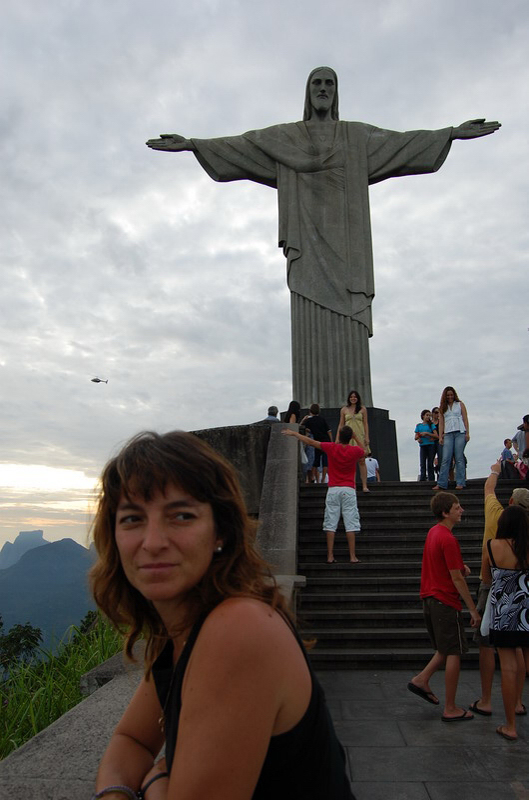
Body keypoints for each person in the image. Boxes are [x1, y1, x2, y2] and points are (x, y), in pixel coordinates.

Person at [147, 68, 500, 408]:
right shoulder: (286, 138)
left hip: (348, 241)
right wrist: (193, 145)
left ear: (336, 92)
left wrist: (450, 134)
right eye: (317, 82)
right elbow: (243, 146)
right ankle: (313, 400)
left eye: (329, 83)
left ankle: (356, 402)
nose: (323, 89)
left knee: (350, 309)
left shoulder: (356, 137)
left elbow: (402, 143)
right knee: (308, 306)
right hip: (306, 238)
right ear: (307, 91)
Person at [90, 431, 355, 800]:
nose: (152, 542)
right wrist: (121, 792)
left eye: (181, 516)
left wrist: (152, 782)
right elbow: (131, 740)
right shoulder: (179, 630)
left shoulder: (238, 628)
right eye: (132, 518)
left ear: (221, 532)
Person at [407, 492, 480, 720]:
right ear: (445, 512)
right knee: (454, 652)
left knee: (445, 648)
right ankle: (450, 708)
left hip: (430, 598)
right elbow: (456, 578)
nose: (462, 510)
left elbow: (445, 565)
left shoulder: (433, 532)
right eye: (457, 508)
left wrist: (460, 568)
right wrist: (473, 609)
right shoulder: (448, 539)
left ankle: (421, 679)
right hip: (445, 600)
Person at [470, 463, 529, 719]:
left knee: (488, 646)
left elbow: (488, 489)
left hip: (498, 595)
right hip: (524, 599)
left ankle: (487, 700)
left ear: (511, 502)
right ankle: (518, 702)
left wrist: (495, 470)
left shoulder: (497, 518)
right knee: (520, 650)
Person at [283, 424, 364, 563]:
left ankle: (330, 556)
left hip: (333, 488)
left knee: (331, 522)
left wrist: (295, 434)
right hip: (348, 488)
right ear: (350, 437)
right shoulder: (355, 450)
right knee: (351, 523)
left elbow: (311, 442)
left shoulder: (331, 447)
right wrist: (356, 438)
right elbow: (365, 452)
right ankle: (352, 556)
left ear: (339, 436)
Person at [482, 505, 529, 741]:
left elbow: (486, 578)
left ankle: (510, 725)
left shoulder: (492, 546)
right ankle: (519, 702)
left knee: (508, 666)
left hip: (503, 613)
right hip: (526, 613)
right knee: (522, 658)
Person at [434, 387, 469, 491]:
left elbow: (465, 419)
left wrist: (467, 432)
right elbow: (441, 423)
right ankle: (442, 483)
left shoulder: (460, 404)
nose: (450, 397)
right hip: (448, 433)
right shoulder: (442, 408)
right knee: (445, 458)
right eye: (448, 395)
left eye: (451, 395)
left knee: (459, 458)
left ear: (454, 395)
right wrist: (440, 436)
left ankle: (460, 482)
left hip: (460, 432)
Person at [337, 390, 370, 492]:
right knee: (350, 462)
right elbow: (341, 424)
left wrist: (367, 437)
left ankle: (364, 485)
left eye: (355, 397)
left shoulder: (363, 409)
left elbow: (365, 423)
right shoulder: (344, 409)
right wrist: (338, 438)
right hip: (348, 437)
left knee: (362, 460)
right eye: (351, 397)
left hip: (359, 436)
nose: (353, 398)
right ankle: (352, 484)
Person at [301, 404, 333, 484]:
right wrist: (331, 442)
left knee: (315, 462)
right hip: (325, 441)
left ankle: (315, 479)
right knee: (325, 462)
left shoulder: (309, 421)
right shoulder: (322, 419)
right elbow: (329, 431)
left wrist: (303, 420)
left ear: (310, 411)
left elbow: (301, 427)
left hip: (316, 443)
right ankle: (323, 479)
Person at [414, 409, 438, 481]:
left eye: (429, 416)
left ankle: (431, 479)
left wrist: (427, 434)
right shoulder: (419, 426)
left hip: (430, 445)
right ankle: (422, 478)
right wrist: (419, 438)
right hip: (423, 445)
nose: (428, 417)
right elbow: (416, 437)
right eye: (427, 415)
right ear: (423, 416)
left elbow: (436, 435)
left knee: (430, 463)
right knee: (422, 463)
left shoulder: (431, 425)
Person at [431, 407, 442, 478]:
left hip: (439, 442)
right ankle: (431, 477)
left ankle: (440, 476)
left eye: (439, 413)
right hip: (431, 443)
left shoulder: (441, 422)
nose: (437, 414)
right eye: (436, 412)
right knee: (430, 459)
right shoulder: (429, 423)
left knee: (440, 458)